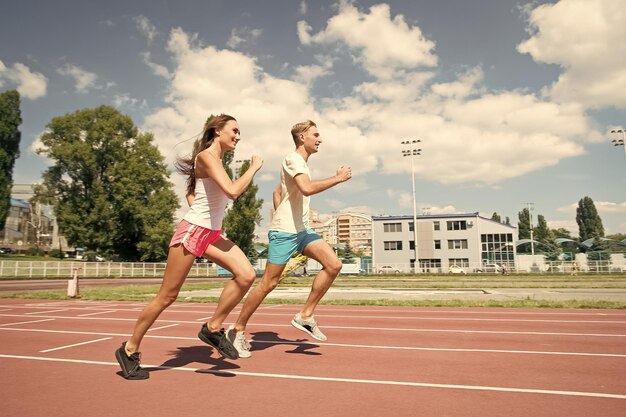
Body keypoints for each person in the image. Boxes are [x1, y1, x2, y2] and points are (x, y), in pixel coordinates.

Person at [114, 114, 263, 379]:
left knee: (247, 275)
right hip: (193, 232)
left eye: (240, 132)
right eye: (235, 130)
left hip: (212, 234)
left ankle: (213, 327)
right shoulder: (206, 156)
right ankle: (129, 349)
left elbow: (196, 193)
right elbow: (232, 191)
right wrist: (252, 168)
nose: (238, 136)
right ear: (217, 131)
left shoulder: (214, 161)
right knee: (167, 296)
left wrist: (207, 212)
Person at [225, 120, 351, 358]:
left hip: (301, 231)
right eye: (316, 134)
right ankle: (237, 329)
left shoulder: (301, 163)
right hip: (284, 233)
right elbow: (306, 188)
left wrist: (289, 214)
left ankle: (305, 316)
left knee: (334, 264)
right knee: (268, 284)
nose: (320, 139)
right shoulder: (293, 159)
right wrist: (338, 179)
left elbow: (277, 192)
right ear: (302, 137)